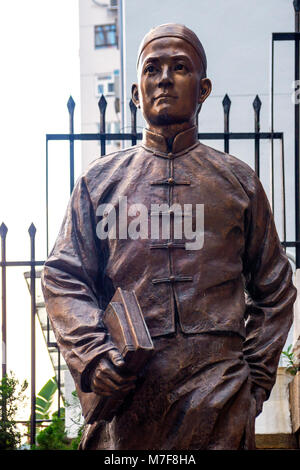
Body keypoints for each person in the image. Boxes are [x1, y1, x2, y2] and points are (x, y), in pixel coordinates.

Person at [41, 24, 297, 450]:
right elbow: (63, 277)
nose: (164, 78)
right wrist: (93, 354)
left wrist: (253, 380)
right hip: (128, 402)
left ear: (203, 88)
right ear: (137, 92)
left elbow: (275, 288)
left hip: (221, 399)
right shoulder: (99, 182)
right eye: (152, 68)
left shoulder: (238, 183)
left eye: (180, 67)